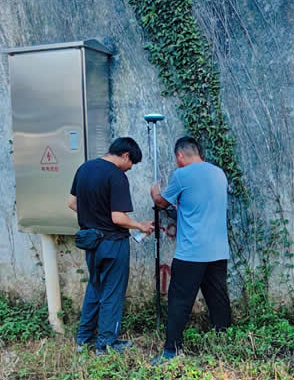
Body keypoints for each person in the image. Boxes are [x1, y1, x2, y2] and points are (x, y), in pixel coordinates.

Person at [150, 135, 232, 363]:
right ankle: (225, 339)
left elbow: (161, 202)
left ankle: (171, 350)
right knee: (218, 297)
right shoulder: (219, 173)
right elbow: (199, 206)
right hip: (218, 251)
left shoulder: (182, 174)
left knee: (179, 300)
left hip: (192, 253)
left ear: (180, 155)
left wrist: (154, 192)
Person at [68, 137, 153, 354]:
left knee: (95, 288)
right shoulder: (117, 176)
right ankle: (106, 344)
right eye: (131, 163)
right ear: (125, 155)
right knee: (112, 293)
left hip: (91, 242)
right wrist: (140, 226)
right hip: (112, 243)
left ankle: (84, 340)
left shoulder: (84, 168)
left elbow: (72, 203)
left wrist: (95, 217)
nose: (130, 168)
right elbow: (118, 218)